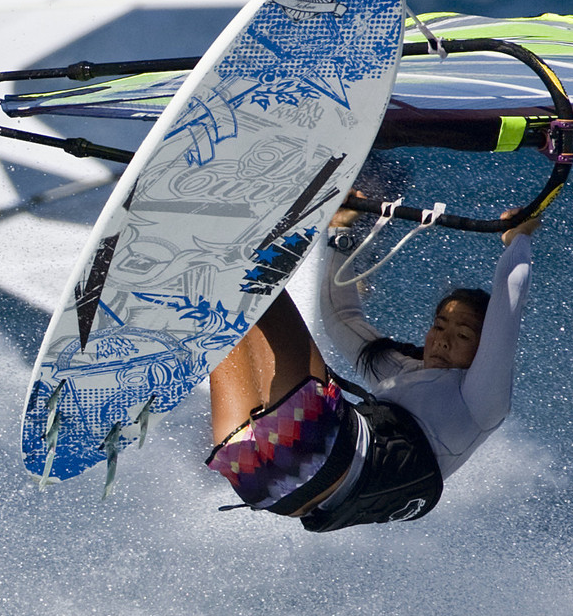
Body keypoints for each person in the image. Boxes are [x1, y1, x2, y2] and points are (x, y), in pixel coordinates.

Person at [206, 205, 539, 532]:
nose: (443, 341)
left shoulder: (482, 401)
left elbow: (507, 307)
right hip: (265, 489)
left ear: (484, 347)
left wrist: (519, 239)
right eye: (439, 326)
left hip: (322, 452)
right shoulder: (399, 372)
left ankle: (228, 236)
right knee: (218, 314)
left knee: (257, 279)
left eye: (463, 335)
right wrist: (340, 231)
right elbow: (343, 318)